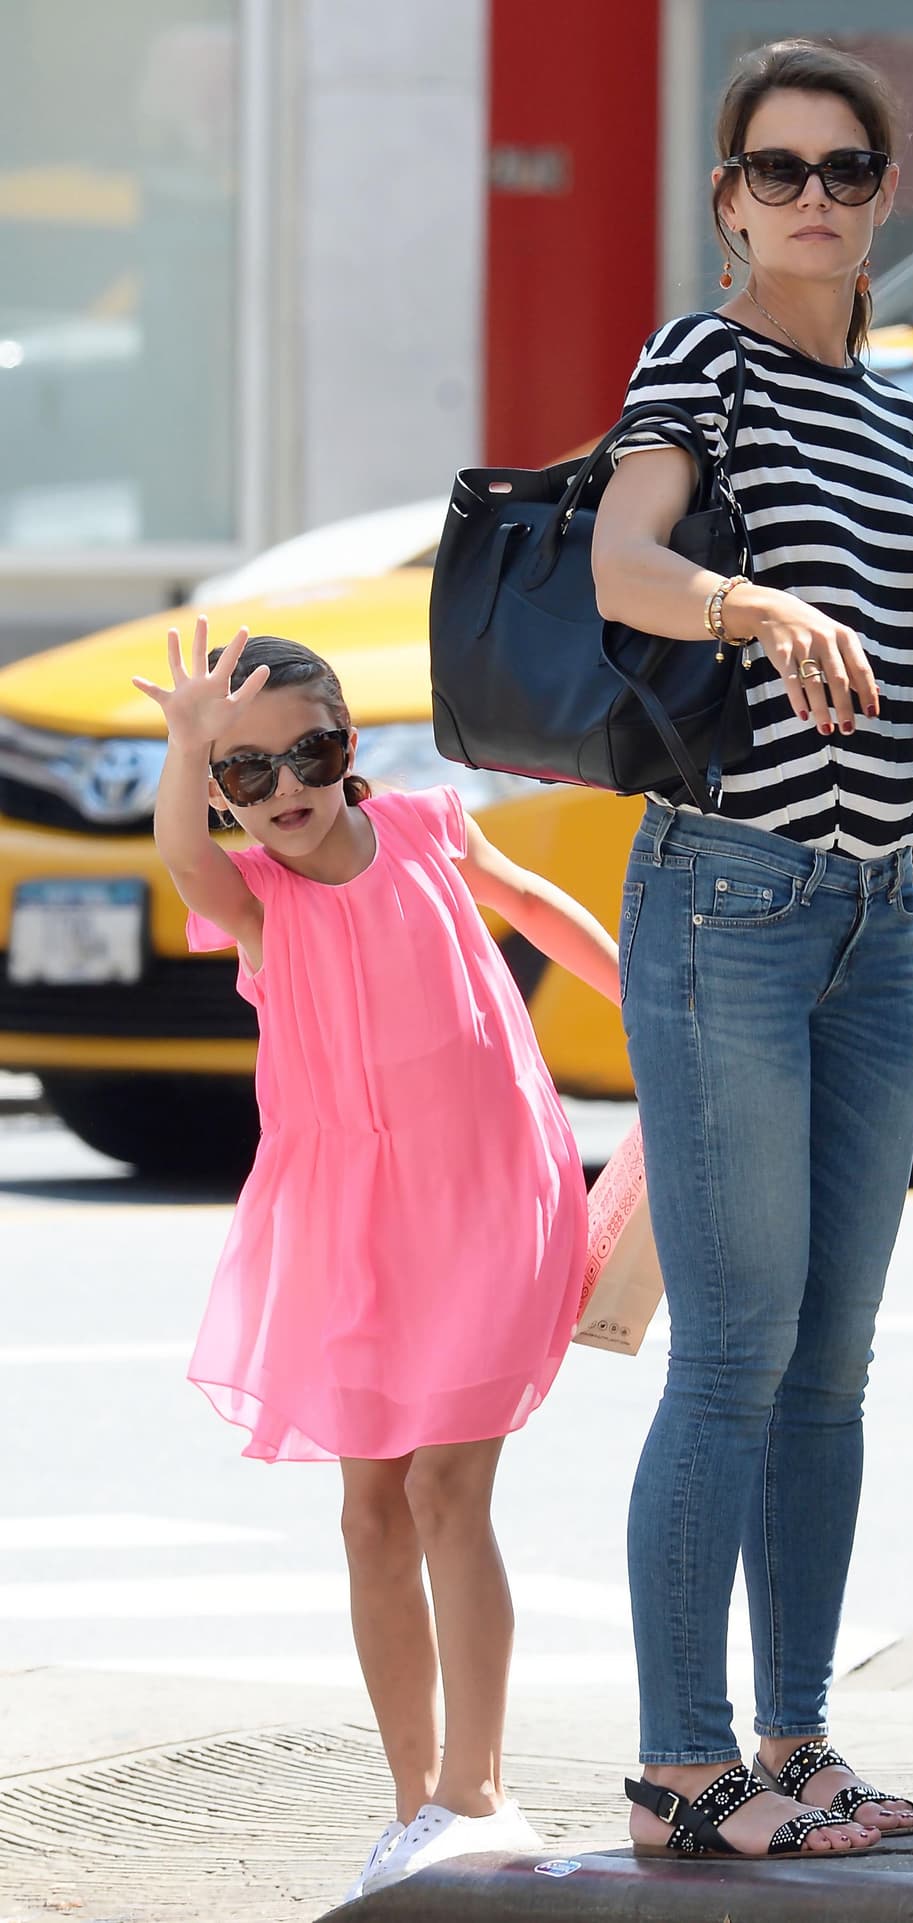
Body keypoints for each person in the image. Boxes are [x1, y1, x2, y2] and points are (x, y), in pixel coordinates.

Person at [591, 38, 913, 1864]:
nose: (809, 198)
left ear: (880, 200)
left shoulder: (896, 413)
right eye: (773, 170)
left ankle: (795, 1741)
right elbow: (627, 564)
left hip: (876, 914)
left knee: (831, 1362)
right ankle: (679, 1766)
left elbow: (887, 662)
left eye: (842, 171)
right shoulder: (701, 365)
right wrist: (751, 598)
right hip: (728, 895)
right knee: (732, 1349)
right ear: (727, 202)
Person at [133, 622, 621, 1899]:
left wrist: (650, 1009)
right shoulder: (254, 900)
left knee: (449, 1496)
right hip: (348, 1230)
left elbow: (530, 904)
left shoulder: (426, 827)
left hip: (483, 1199)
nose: (284, 788)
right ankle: (414, 1804)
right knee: (368, 1514)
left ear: (351, 749)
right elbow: (181, 852)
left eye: (309, 752)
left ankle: (479, 1787)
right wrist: (186, 753)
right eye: (247, 774)